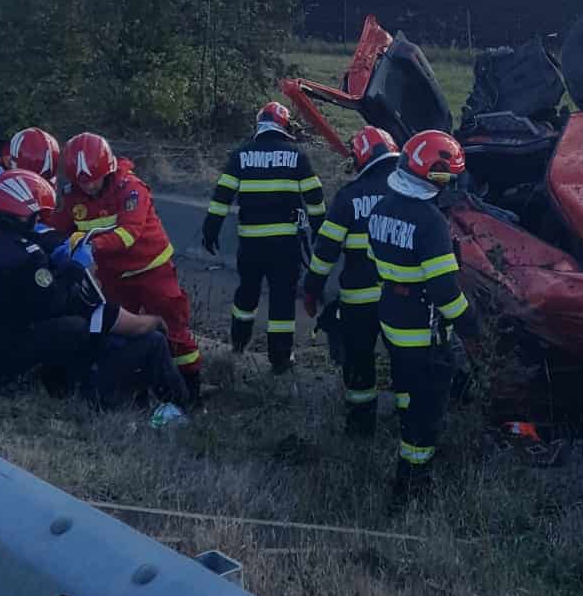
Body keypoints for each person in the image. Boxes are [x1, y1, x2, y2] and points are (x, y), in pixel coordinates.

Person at [0, 169, 188, 416]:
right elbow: (82, 307)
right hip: (35, 361)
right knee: (151, 341)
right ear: (21, 214)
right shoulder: (32, 260)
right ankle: (181, 408)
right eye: (35, 215)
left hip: (3, 347)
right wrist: (157, 321)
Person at [367, 129, 477, 497]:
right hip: (422, 327)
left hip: (392, 316)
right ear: (436, 175)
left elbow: (376, 260)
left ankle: (404, 423)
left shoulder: (381, 206)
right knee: (427, 410)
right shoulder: (430, 223)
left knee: (404, 382)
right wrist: (470, 326)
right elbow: (445, 290)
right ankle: (413, 480)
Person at [55, 132, 203, 399]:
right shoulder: (73, 196)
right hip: (114, 277)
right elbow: (60, 227)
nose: (87, 187)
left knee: (175, 329)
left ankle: (192, 390)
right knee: (125, 332)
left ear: (108, 169)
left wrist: (92, 246)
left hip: (152, 270)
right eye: (81, 182)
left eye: (92, 180)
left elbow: (129, 233)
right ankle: (139, 388)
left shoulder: (130, 189)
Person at [203, 100, 325, 373]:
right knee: (282, 300)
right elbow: (315, 198)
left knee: (247, 295)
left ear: (259, 126)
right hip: (286, 246)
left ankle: (238, 344)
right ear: (284, 126)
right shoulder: (296, 156)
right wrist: (320, 230)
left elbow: (222, 196)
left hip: (251, 245)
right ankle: (280, 359)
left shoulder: (241, 155)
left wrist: (211, 229)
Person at [302, 126, 399, 437]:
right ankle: (408, 424)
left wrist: (312, 289)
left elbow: (325, 252)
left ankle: (360, 426)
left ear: (361, 157)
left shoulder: (348, 198)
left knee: (359, 361)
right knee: (405, 361)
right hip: (402, 300)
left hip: (359, 302)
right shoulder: (409, 193)